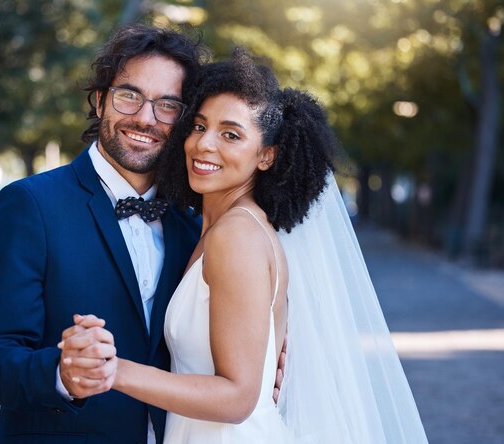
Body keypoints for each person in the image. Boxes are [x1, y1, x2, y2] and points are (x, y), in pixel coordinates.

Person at [62, 49, 429, 443]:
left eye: (231, 135)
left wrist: (111, 368)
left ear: (267, 155)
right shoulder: (217, 227)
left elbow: (238, 397)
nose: (204, 145)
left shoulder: (236, 236)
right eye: (199, 126)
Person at [0, 24, 206, 444]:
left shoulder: (194, 223)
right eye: (129, 95)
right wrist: (61, 373)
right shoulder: (29, 205)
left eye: (168, 105)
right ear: (99, 100)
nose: (145, 118)